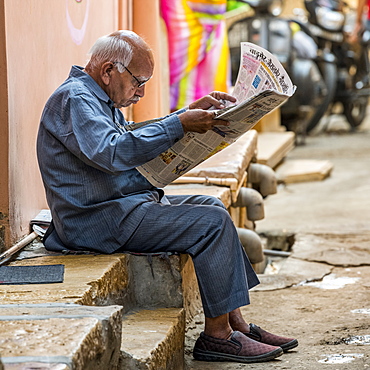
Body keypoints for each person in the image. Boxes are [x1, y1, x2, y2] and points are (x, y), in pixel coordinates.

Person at [37, 30, 298, 364]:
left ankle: (236, 323)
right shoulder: (75, 99)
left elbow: (126, 135)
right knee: (211, 223)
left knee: (211, 205)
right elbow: (112, 152)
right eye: (138, 81)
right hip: (97, 220)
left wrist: (185, 116)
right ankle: (217, 337)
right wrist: (179, 126)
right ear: (107, 71)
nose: (141, 92)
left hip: (122, 207)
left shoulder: (95, 97)